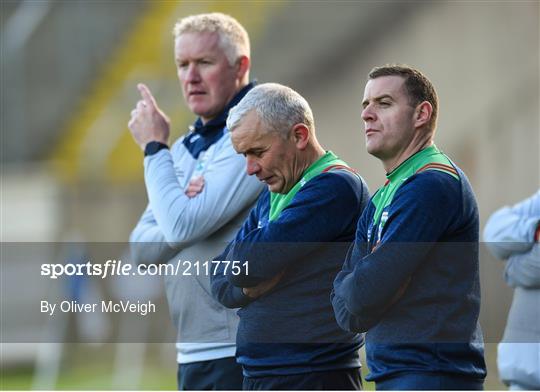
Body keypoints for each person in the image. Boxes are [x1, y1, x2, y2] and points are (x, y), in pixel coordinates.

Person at [128, 13, 263, 390]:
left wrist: (154, 148)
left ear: (241, 66)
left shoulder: (255, 131)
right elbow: (139, 249)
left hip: (238, 347)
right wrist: (179, 214)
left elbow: (182, 225)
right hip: (193, 349)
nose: (191, 76)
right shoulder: (186, 147)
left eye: (204, 62)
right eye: (182, 65)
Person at [331, 64, 487, 390]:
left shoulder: (432, 184)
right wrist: (366, 281)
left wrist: (365, 281)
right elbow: (346, 310)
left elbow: (363, 294)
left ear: (421, 114)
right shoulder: (383, 196)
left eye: (383, 103)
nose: (367, 115)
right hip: (398, 374)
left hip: (433, 376)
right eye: (365, 105)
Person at [210, 83, 370, 390]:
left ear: (299, 136)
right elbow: (218, 277)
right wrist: (248, 291)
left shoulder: (336, 187)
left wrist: (246, 268)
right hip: (263, 374)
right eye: (244, 155)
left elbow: (248, 261)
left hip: (312, 375)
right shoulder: (276, 192)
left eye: (258, 152)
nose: (250, 169)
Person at [484, 190, 540, 390]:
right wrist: (534, 230)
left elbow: (532, 269)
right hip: (521, 381)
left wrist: (513, 267)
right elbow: (494, 233)